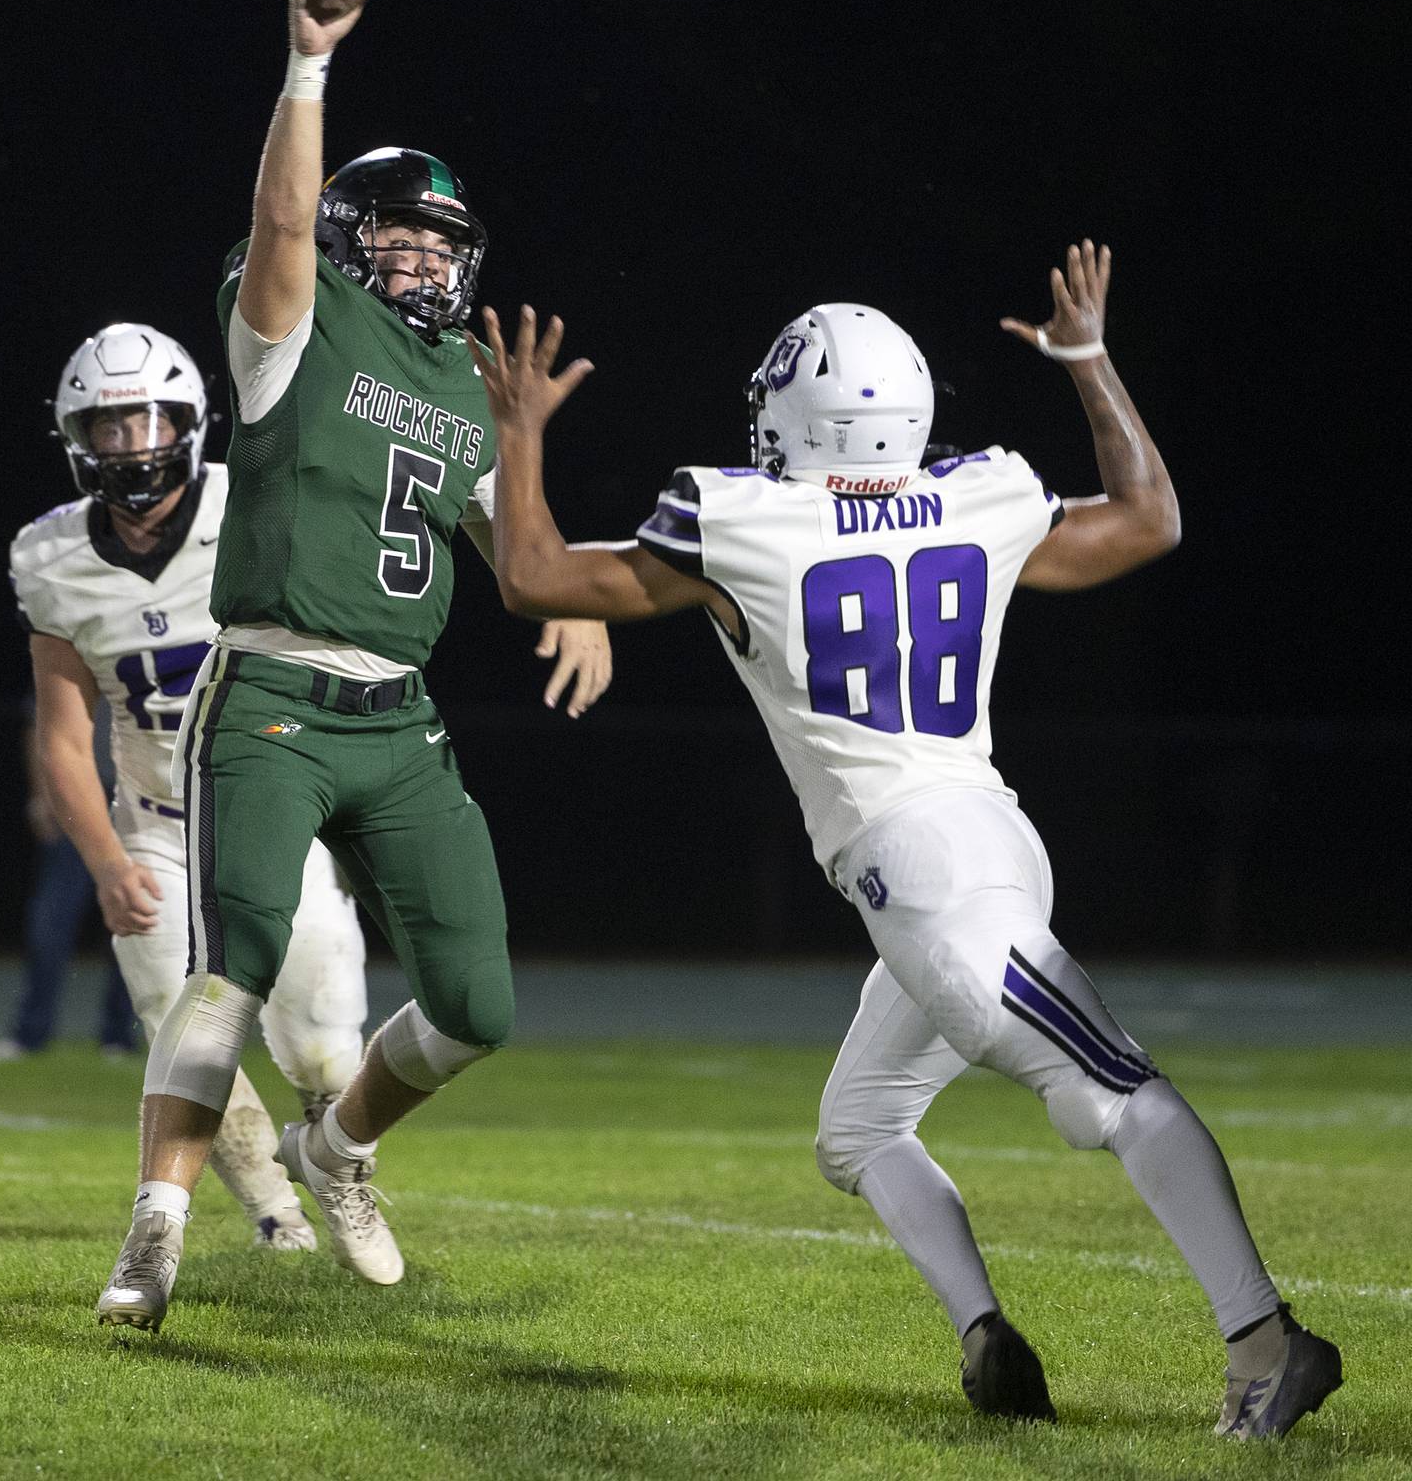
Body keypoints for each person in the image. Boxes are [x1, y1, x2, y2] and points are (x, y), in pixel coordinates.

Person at [466, 244, 1342, 1442]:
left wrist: (519, 430)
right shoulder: (975, 493)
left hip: (933, 885)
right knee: (859, 1126)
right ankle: (990, 1343)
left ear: (798, 415)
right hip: (978, 842)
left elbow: (529, 578)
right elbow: (1148, 520)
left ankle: (1266, 1340)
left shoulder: (746, 517)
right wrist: (1087, 363)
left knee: (1118, 1089)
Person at [94, 0, 612, 1332]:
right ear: (343, 232)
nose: (426, 257)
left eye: (445, 241)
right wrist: (307, 64)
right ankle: (156, 1229)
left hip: (402, 724)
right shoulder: (297, 324)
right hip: (271, 700)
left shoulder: (460, 376)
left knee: (477, 1003)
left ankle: (337, 1152)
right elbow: (275, 232)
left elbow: (528, 564)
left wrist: (576, 588)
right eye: (397, 230)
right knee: (231, 972)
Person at [11, 325, 370, 1260]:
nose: (133, 445)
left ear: (190, 420)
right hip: (157, 830)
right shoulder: (50, 557)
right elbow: (61, 730)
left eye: (148, 419)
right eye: (110, 426)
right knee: (186, 1040)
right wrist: (103, 862)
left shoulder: (253, 504)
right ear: (76, 437)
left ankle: (336, 1167)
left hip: (277, 812)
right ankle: (275, 1219)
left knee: (328, 1047)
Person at [0, 697, 138, 1062]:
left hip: (131, 804)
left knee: (130, 920)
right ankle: (29, 1033)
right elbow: (39, 726)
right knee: (52, 922)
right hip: (76, 803)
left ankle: (119, 1037)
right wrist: (41, 797)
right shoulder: (66, 646)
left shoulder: (148, 654)